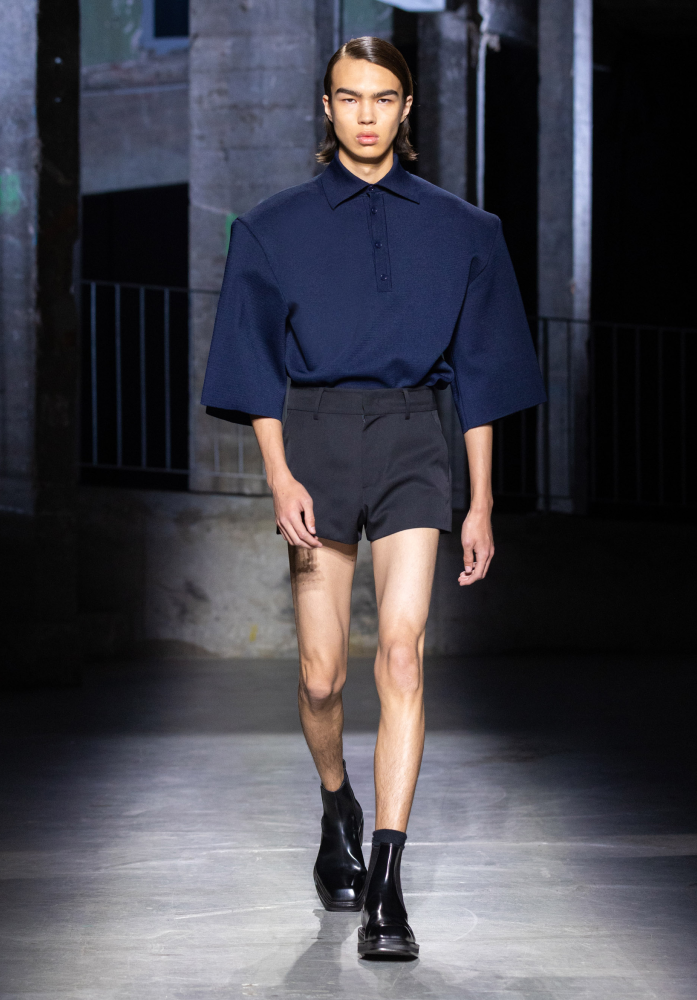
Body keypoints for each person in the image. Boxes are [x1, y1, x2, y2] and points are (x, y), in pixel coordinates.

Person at [201, 37, 545, 960]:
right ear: (326, 108)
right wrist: (278, 475)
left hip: (412, 438)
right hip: (312, 439)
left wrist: (480, 500)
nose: (365, 113)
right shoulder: (271, 229)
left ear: (405, 110)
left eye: (382, 98)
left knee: (401, 655)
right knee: (323, 676)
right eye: (348, 97)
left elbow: (479, 372)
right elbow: (255, 365)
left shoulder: (467, 231)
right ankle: (334, 804)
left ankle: (387, 889)